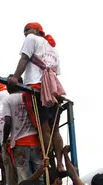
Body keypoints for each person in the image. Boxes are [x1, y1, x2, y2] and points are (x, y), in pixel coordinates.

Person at [9, 22, 65, 172]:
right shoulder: (53, 48)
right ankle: (60, 164)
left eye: (27, 30)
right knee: (56, 129)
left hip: (36, 88)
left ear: (37, 30)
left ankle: (50, 163)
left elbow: (24, 59)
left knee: (44, 128)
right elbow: (55, 72)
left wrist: (15, 77)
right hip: (53, 91)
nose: (26, 33)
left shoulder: (32, 39)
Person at [2, 76, 43, 182]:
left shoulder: (8, 99)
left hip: (20, 143)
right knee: (40, 176)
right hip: (36, 141)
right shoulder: (30, 95)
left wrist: (4, 140)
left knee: (24, 179)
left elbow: (7, 121)